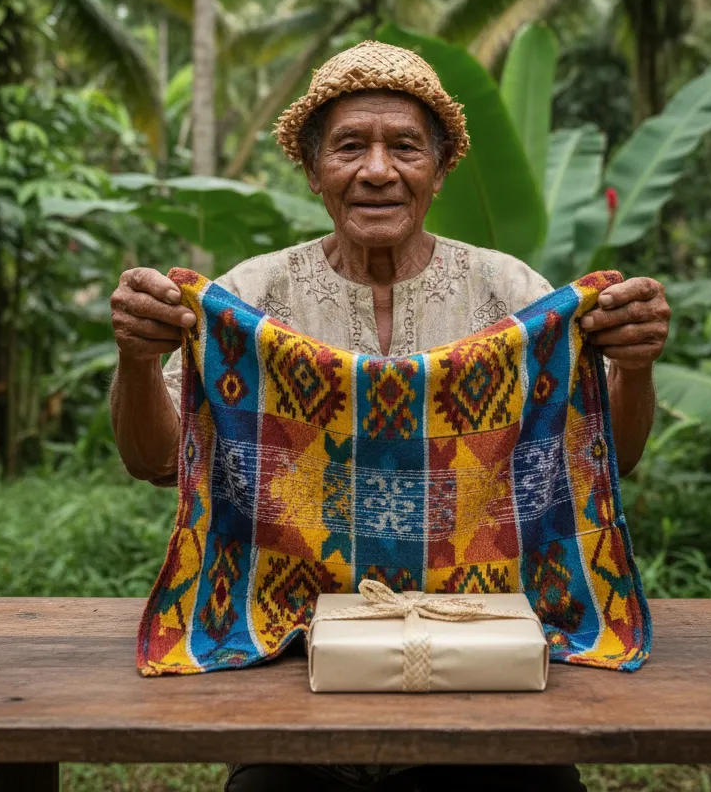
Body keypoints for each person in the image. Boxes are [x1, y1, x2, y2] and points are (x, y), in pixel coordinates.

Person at [109, 41, 670, 792]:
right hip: (288, 661)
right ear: (314, 172)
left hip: (487, 661)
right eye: (349, 147)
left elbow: (611, 459)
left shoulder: (511, 292)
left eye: (405, 146)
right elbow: (151, 459)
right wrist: (139, 360)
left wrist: (634, 365)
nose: (378, 169)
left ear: (439, 170)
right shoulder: (251, 296)